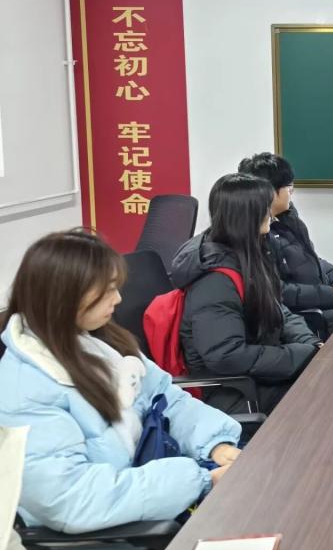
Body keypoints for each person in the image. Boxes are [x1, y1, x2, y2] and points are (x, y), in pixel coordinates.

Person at [0, 229, 242, 534]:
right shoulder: (24, 390)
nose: (118, 299)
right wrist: (199, 480)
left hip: (160, 495)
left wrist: (215, 444)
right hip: (120, 534)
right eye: (106, 291)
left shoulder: (99, 342)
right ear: (64, 297)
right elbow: (72, 500)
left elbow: (167, 398)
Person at [172, 173, 321, 414]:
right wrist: (300, 355)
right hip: (237, 391)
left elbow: (277, 308)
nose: (271, 214)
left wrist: (309, 343)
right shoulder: (215, 279)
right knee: (326, 395)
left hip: (260, 373)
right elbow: (226, 355)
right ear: (246, 216)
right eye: (265, 208)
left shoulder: (248, 255)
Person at [239, 152, 333, 336]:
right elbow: (277, 291)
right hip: (303, 312)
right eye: (288, 187)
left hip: (322, 295)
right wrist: (328, 296)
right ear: (269, 192)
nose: (292, 192)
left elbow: (311, 258)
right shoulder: (257, 234)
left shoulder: (287, 218)